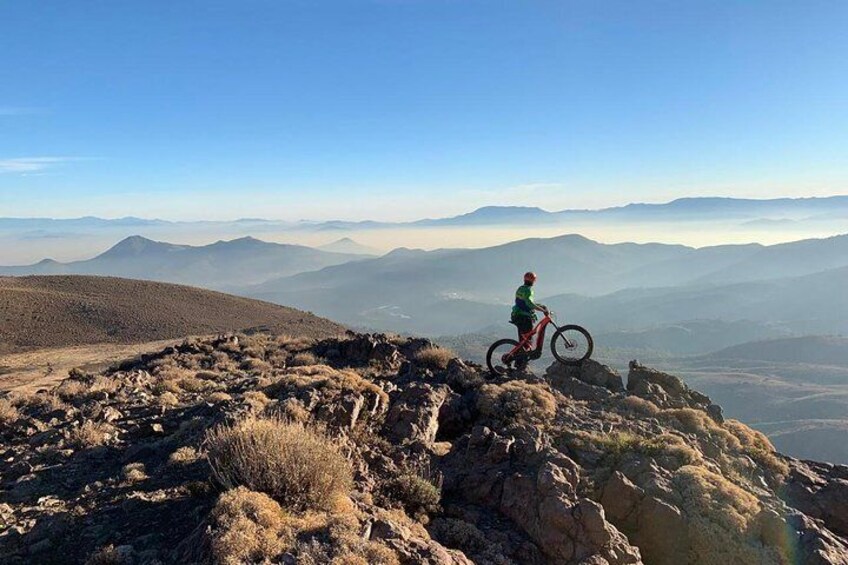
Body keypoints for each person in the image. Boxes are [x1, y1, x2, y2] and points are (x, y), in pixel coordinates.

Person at [511, 271, 548, 350]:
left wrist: (540, 305)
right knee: (528, 339)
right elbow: (530, 304)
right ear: (533, 281)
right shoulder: (528, 290)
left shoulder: (520, 288)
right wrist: (542, 310)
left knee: (523, 340)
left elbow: (525, 302)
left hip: (517, 315)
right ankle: (521, 360)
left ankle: (520, 361)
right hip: (524, 317)